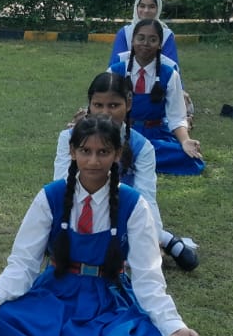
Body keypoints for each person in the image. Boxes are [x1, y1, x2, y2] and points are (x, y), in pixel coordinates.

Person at [0, 114, 201, 336]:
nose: (93, 161)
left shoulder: (134, 204)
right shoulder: (50, 196)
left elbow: (148, 279)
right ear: (72, 152)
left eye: (103, 152)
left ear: (117, 154)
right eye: (85, 151)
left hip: (109, 298)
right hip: (55, 294)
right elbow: (23, 263)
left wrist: (174, 327)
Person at [53, 72, 199, 271]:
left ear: (128, 104)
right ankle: (169, 240)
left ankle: (162, 238)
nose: (105, 113)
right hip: (79, 207)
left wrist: (151, 236)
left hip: (120, 210)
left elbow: (146, 199)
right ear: (89, 105)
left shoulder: (142, 147)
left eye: (113, 105)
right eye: (98, 105)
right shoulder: (68, 138)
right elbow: (61, 185)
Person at [119, 18, 204, 176]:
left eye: (152, 40)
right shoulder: (116, 71)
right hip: (125, 132)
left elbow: (176, 116)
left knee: (191, 159)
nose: (145, 44)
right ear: (132, 41)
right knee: (116, 146)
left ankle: (130, 159)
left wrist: (185, 141)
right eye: (141, 38)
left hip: (155, 133)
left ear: (159, 44)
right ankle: (134, 157)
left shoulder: (170, 74)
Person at [110, 0, 179, 64]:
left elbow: (171, 65)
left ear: (158, 8)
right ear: (136, 7)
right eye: (142, 6)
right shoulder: (125, 33)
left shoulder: (166, 35)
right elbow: (116, 63)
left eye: (151, 7)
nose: (146, 10)